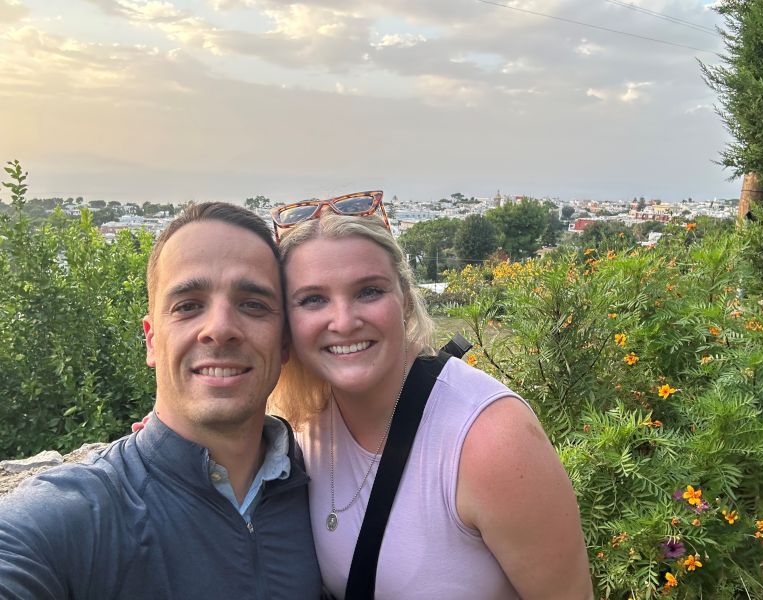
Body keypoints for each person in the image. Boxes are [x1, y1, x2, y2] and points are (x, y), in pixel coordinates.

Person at [268, 191, 593, 599]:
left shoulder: (490, 440)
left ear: (404, 297)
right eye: (313, 299)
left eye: (369, 291)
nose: (344, 321)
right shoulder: (305, 423)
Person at [0, 203, 321, 599]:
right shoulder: (80, 516)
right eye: (188, 306)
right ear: (152, 340)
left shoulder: (324, 491)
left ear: (284, 342)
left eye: (252, 304)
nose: (219, 329)